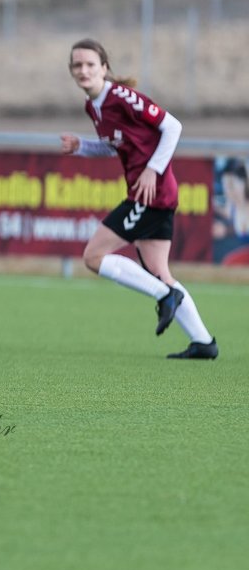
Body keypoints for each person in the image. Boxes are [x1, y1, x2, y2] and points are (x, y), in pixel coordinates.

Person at [58, 38, 218, 360]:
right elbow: (112, 145)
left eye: (91, 64)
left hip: (152, 194)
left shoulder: (121, 97)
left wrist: (152, 170)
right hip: (151, 194)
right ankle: (203, 342)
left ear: (104, 68)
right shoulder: (93, 106)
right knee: (159, 271)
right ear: (72, 71)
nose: (84, 70)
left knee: (93, 256)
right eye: (78, 65)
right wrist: (82, 147)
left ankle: (165, 296)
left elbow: (172, 127)